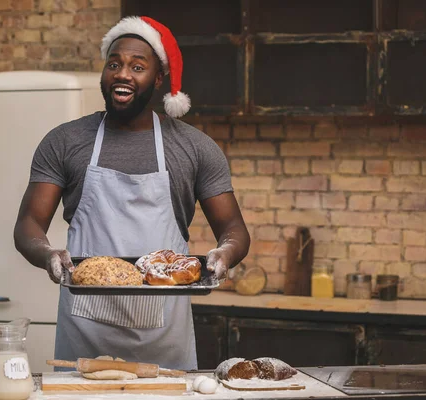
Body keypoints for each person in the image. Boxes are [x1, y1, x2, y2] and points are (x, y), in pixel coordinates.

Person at [13, 16, 250, 370]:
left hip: (162, 335)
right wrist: (46, 252)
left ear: (158, 79)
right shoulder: (64, 141)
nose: (123, 74)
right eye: (115, 64)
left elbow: (234, 228)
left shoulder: (194, 147)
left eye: (137, 67)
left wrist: (225, 254)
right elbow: (29, 223)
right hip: (85, 331)